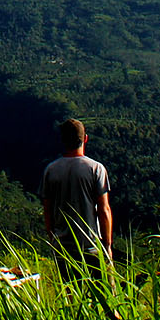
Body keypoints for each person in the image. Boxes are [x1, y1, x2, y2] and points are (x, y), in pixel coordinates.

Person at [41, 118, 113, 277]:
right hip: (91, 247)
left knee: (71, 297)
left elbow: (47, 210)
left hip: (63, 247)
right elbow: (104, 210)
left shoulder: (51, 170)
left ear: (63, 140)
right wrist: (107, 245)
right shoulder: (96, 169)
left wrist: (53, 238)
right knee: (104, 296)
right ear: (85, 138)